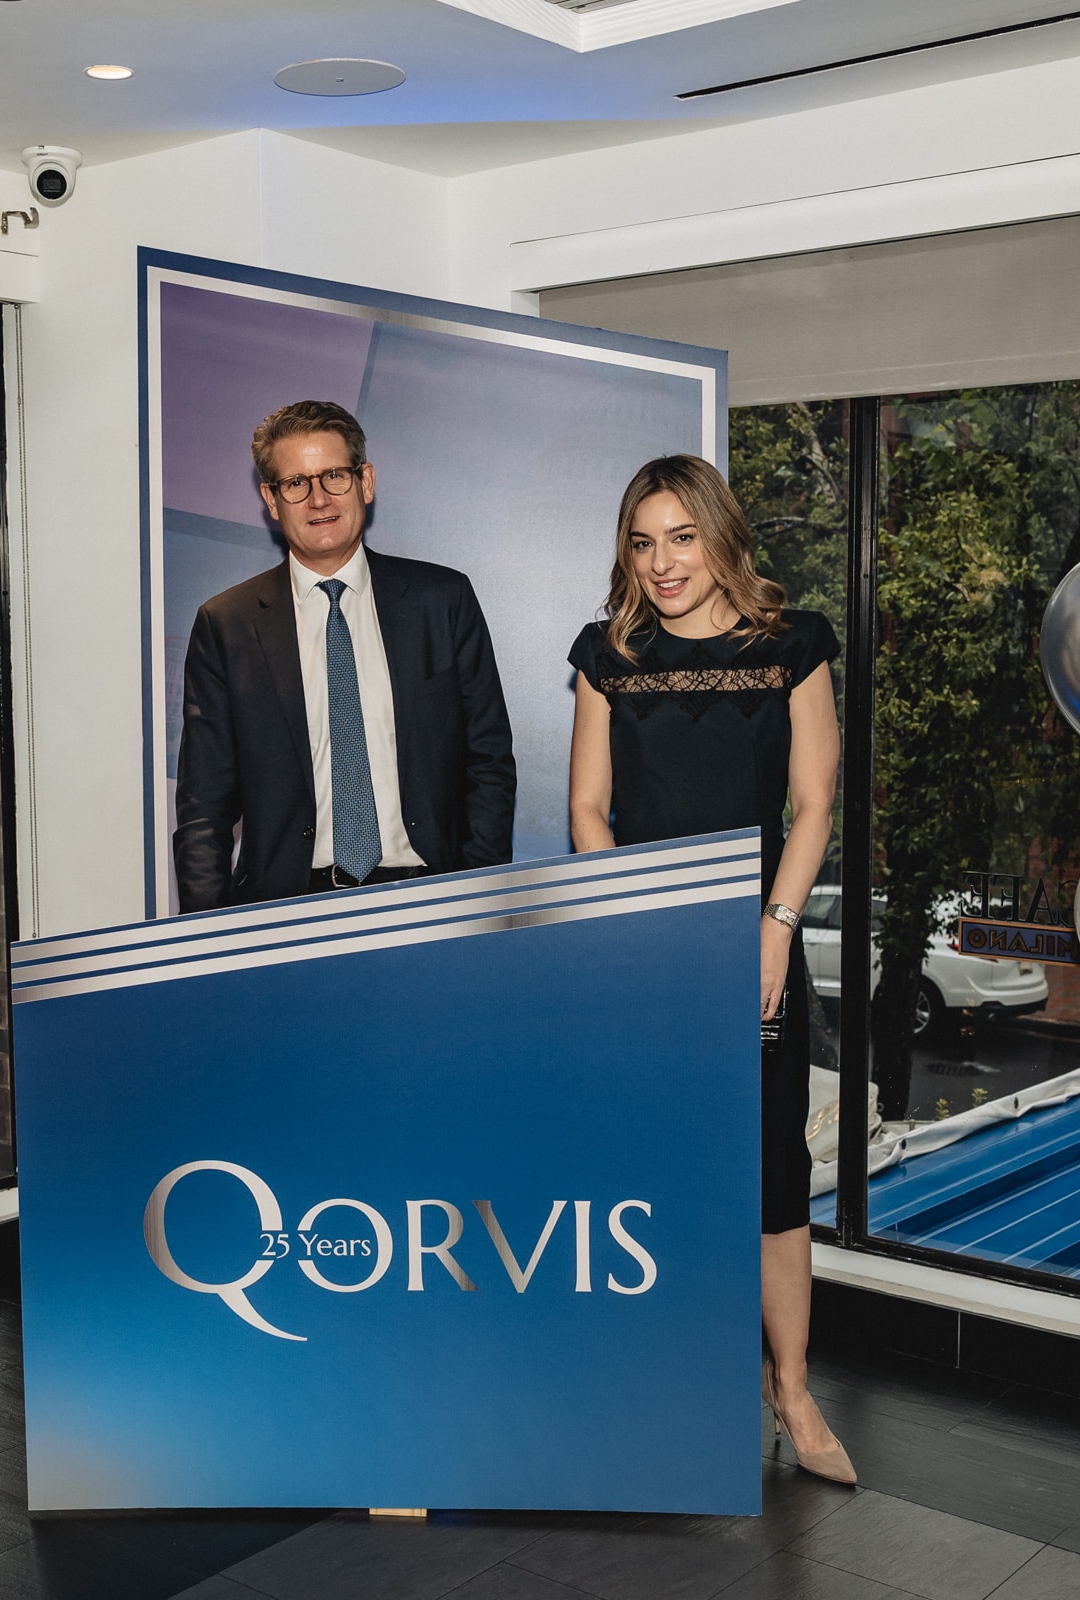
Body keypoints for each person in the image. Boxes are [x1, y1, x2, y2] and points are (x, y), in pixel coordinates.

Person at [566, 453, 852, 1485]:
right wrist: (637, 932)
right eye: (643, 543)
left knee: (774, 1175)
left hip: (756, 952)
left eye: (682, 538)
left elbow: (813, 805)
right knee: (659, 1172)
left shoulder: (794, 646)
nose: (663, 562)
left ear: (720, 537)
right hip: (650, 961)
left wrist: (776, 931)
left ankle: (793, 1390)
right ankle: (675, 1384)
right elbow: (587, 810)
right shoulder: (607, 656)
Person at [175, 400, 516, 912]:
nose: (318, 499)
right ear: (271, 500)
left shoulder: (442, 601)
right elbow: (204, 806)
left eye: (334, 476)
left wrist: (473, 900)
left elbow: (489, 763)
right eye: (296, 483)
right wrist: (209, 937)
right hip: (287, 913)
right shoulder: (226, 625)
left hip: (431, 900)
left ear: (365, 482)